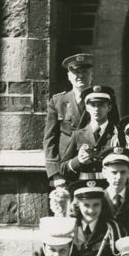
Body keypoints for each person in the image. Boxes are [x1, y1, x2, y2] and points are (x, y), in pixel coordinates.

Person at [45, 53, 94, 181]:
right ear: (69, 76)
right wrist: (55, 174)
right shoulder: (58, 101)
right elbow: (50, 139)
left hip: (94, 166)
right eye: (76, 72)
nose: (81, 76)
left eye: (85, 71)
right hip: (66, 168)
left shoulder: (102, 100)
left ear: (91, 74)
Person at [60, 85, 121, 182]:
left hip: (110, 188)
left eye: (101, 105)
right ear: (87, 108)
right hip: (85, 189)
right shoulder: (78, 135)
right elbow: (63, 168)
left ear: (109, 107)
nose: (97, 109)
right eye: (93, 105)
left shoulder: (118, 134)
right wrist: (78, 160)